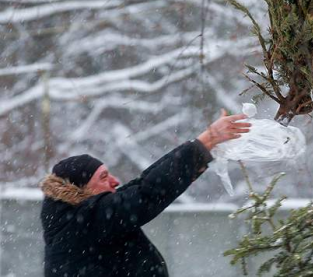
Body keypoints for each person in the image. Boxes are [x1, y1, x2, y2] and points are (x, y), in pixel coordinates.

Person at [40, 109, 251, 277]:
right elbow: (147, 192)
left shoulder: (78, 220)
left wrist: (199, 156)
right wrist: (207, 139)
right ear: (79, 189)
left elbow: (141, 185)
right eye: (103, 177)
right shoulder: (85, 220)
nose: (115, 181)